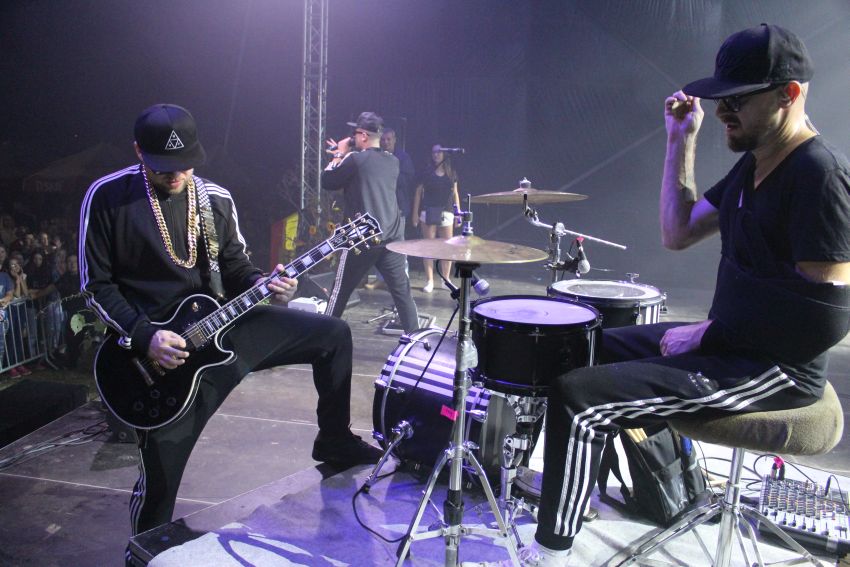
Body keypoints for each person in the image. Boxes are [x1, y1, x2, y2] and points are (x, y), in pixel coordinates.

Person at [473, 24, 850, 567]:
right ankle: (569, 496)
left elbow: (824, 321)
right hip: (734, 346)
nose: (722, 111)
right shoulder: (755, 165)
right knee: (581, 349)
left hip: (778, 369)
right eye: (719, 100)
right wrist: (680, 138)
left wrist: (711, 334)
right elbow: (678, 231)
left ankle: (549, 552)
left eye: (737, 100)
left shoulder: (818, 175)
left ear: (788, 94)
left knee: (581, 397)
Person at [79, 104, 382, 558]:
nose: (177, 174)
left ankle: (334, 439)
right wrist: (145, 337)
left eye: (186, 164)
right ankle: (142, 556)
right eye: (164, 167)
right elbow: (95, 285)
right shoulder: (108, 197)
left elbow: (236, 268)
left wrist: (266, 284)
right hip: (161, 359)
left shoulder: (215, 199)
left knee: (333, 334)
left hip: (223, 326)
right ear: (139, 152)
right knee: (160, 483)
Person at [321, 111, 419, 332]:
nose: (352, 137)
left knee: (339, 293)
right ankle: (416, 340)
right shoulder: (393, 162)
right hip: (392, 238)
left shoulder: (355, 160)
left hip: (361, 239)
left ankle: (321, 337)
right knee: (403, 295)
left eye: (355, 134)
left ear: (363, 135)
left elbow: (328, 181)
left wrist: (339, 155)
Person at [411, 145, 461, 292]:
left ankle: (446, 280)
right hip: (428, 211)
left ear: (444, 154)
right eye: (434, 152)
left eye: (439, 152)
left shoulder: (451, 173)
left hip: (446, 212)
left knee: (447, 247)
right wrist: (415, 213)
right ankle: (430, 280)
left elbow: (455, 193)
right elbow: (418, 193)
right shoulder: (426, 172)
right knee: (429, 247)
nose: (436, 154)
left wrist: (458, 213)